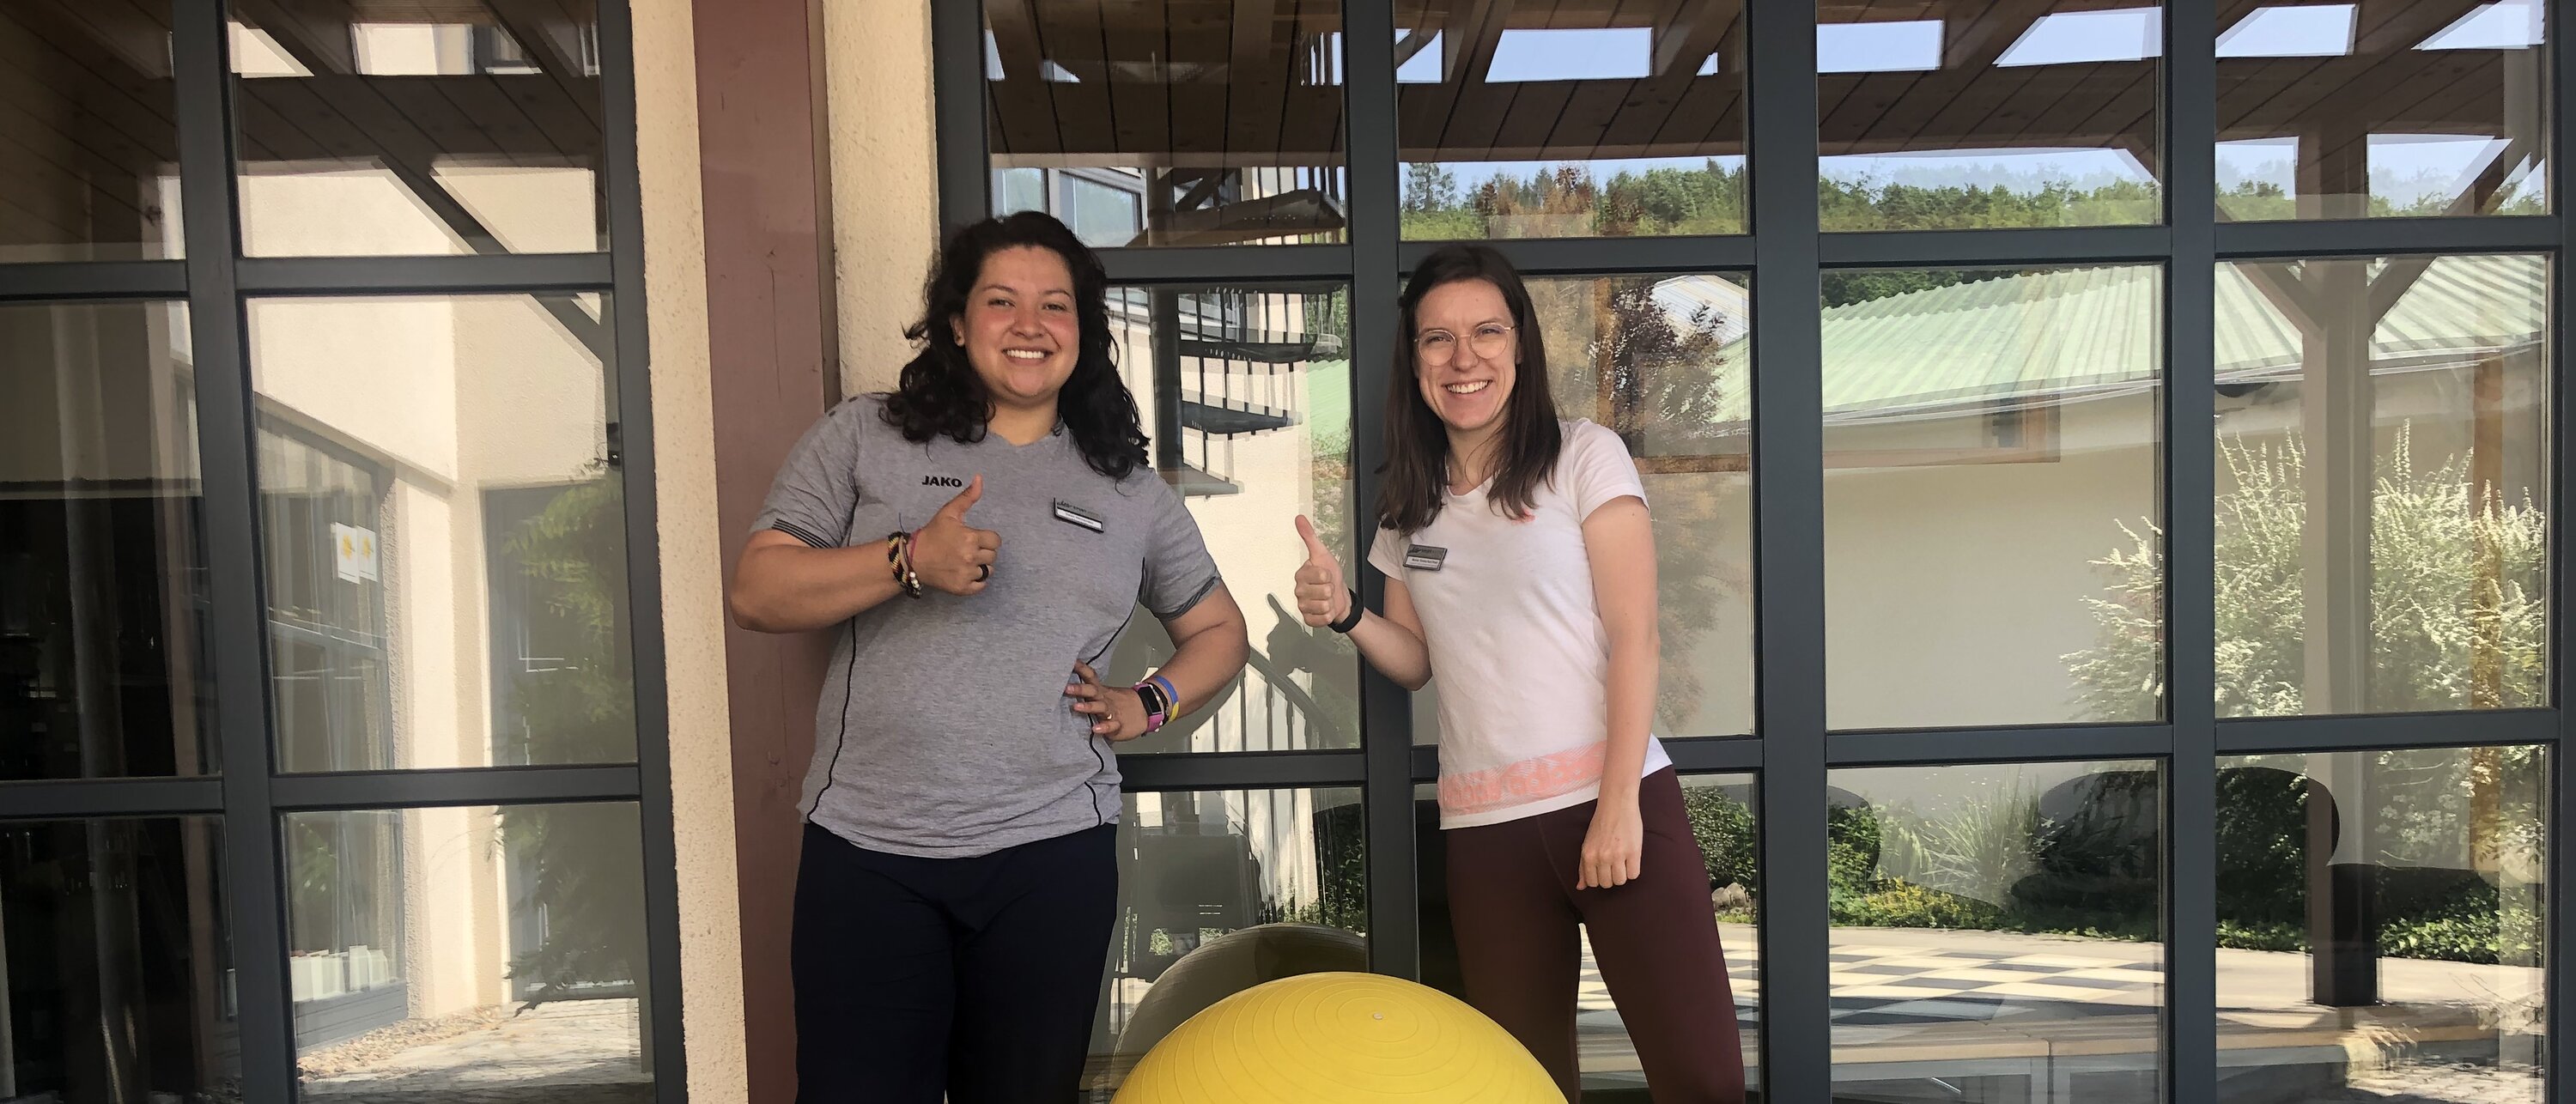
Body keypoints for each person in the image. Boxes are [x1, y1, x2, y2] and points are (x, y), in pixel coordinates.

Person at [728, 211, 1249, 1103]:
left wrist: (1145, 702)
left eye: (1056, 305)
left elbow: (1221, 631)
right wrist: (906, 560)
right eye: (1001, 300)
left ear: (1082, 335)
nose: (1030, 324)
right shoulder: (867, 435)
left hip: (1050, 855)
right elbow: (758, 590)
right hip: (871, 851)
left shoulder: (1126, 485)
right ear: (958, 322)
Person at [1291, 244, 1744, 1101]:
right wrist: (1347, 611)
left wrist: (1617, 809)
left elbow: (1636, 634)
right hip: (1486, 834)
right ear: (1414, 358)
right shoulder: (1407, 505)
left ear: (1521, 345)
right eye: (1439, 339)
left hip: (1616, 807)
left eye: (1486, 332)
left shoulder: (1585, 455)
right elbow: (1416, 660)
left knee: (1705, 1080)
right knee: (1524, 1086)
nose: (1464, 358)